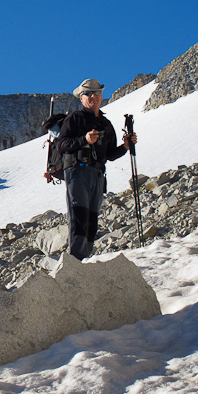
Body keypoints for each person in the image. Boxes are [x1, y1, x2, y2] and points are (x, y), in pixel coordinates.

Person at [57, 79, 136, 260]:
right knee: (79, 215)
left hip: (97, 174)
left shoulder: (105, 124)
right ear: (81, 98)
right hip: (77, 172)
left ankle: (84, 257)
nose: (93, 97)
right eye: (88, 94)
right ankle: (77, 259)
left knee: (92, 219)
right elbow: (62, 145)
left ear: (101, 96)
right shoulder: (74, 118)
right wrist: (84, 139)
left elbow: (109, 154)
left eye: (97, 93)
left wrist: (125, 146)